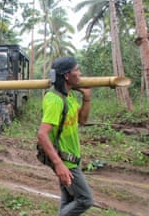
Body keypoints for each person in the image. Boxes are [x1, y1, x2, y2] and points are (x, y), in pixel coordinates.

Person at [37, 57, 94, 215]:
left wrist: (87, 97)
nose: (80, 73)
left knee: (69, 200)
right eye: (77, 70)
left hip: (72, 157)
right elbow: (42, 134)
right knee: (85, 200)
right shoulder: (55, 100)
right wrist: (59, 164)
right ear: (67, 76)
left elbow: (81, 120)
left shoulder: (69, 96)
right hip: (66, 161)